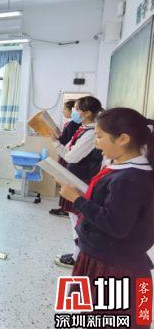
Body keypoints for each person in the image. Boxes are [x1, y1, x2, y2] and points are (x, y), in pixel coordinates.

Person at [58, 108, 154, 327]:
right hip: (112, 258)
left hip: (111, 267)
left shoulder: (128, 179)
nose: (96, 143)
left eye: (100, 137)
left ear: (123, 139)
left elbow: (115, 225)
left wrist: (78, 200)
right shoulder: (128, 170)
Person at [52, 96, 104, 269]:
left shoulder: (90, 133)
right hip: (75, 178)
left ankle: (77, 257)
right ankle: (76, 254)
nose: (73, 111)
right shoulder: (84, 129)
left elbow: (71, 156)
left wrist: (55, 143)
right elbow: (68, 151)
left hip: (81, 181)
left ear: (87, 113)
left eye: (76, 108)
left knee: (78, 220)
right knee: (74, 218)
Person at [49, 100, 82, 217]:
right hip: (65, 153)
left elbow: (65, 140)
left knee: (66, 182)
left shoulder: (74, 124)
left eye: (65, 109)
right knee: (64, 182)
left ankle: (66, 209)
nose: (63, 111)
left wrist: (55, 138)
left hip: (67, 155)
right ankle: (64, 208)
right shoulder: (71, 123)